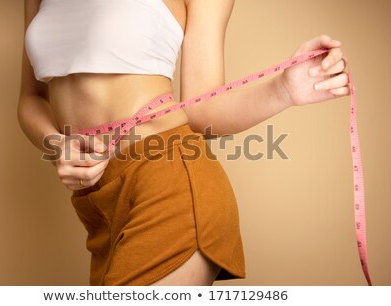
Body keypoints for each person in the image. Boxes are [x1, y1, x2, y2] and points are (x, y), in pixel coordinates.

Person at [18, 0, 349, 286]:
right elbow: (30, 99)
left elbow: (201, 109)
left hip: (168, 181)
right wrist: (57, 145)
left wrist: (282, 91)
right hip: (96, 202)